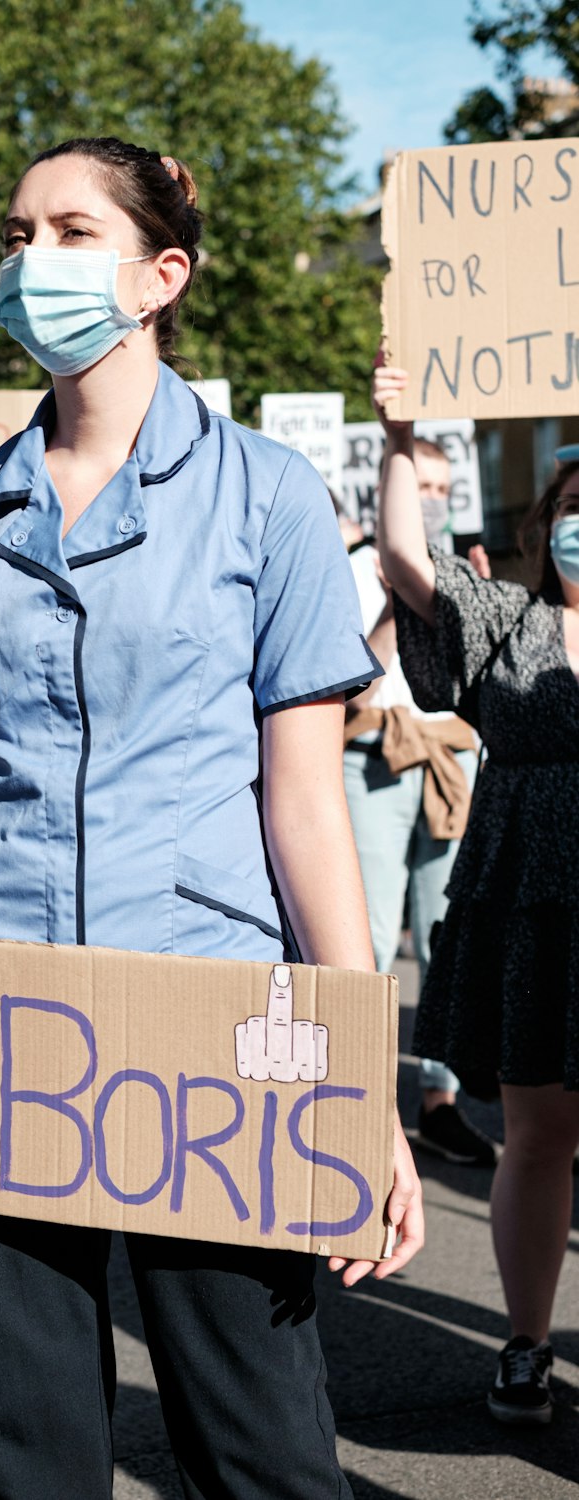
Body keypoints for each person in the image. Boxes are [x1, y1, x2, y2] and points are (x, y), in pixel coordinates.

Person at [0, 139, 423, 1495]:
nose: (28, 261)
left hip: (219, 1034)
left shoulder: (268, 495)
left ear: (161, 273)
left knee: (263, 1446)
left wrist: (363, 1089)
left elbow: (304, 802)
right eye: (15, 233)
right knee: (35, 1444)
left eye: (69, 231)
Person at [373, 359, 579, 1427]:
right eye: (575, 510)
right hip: (534, 904)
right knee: (537, 1133)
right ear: (547, 529)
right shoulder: (505, 621)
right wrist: (398, 431)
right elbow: (405, 560)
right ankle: (527, 1341)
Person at [343, 438, 496, 1167]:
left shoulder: (470, 569)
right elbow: (350, 684)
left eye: (440, 484)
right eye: (417, 482)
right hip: (372, 760)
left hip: (451, 760)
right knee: (368, 940)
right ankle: (363, 1105)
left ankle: (439, 1101)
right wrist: (396, 604)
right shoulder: (350, 566)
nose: (430, 497)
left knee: (446, 938)